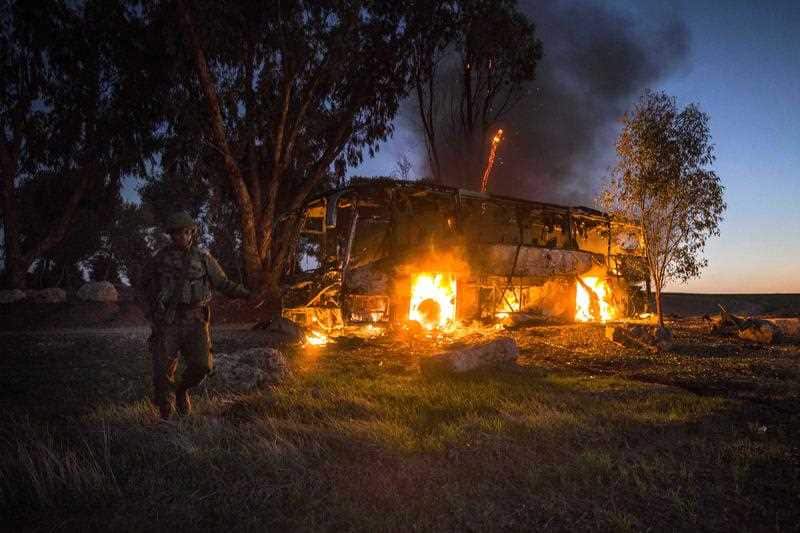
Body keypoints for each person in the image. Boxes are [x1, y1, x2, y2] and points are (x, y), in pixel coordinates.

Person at [141, 211, 252, 419]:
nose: (180, 237)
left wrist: (247, 294)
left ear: (191, 232)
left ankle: (182, 390)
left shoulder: (203, 258)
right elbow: (143, 286)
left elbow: (222, 283)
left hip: (195, 320)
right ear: (171, 235)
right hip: (168, 321)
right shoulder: (160, 259)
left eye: (184, 232)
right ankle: (166, 415)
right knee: (161, 372)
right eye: (175, 234)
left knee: (202, 365)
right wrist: (152, 313)